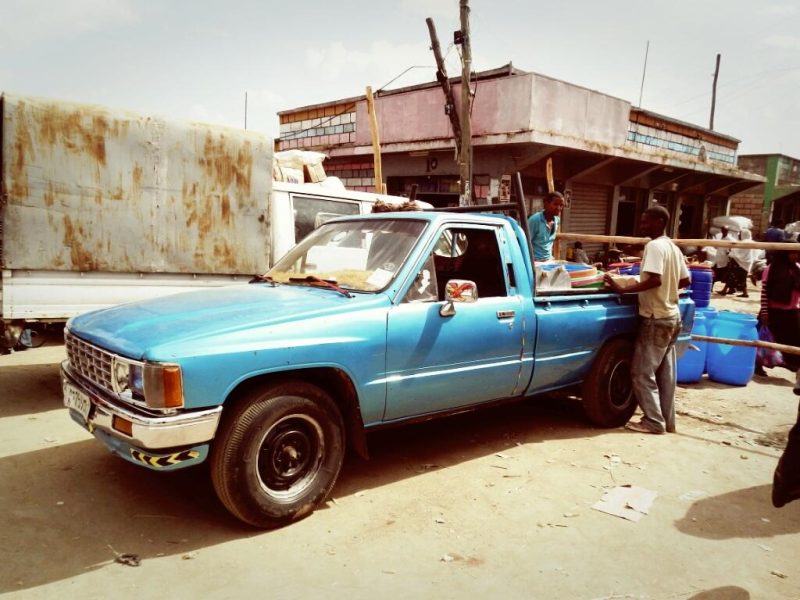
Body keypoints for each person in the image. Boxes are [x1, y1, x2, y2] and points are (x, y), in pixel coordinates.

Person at [604, 206, 690, 434]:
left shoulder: (654, 246)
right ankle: (667, 421)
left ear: (660, 221)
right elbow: (686, 280)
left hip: (655, 318)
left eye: (646, 222)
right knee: (666, 374)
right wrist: (668, 293)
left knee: (641, 373)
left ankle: (653, 422)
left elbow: (654, 280)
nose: (642, 226)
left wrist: (624, 289)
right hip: (672, 316)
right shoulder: (672, 246)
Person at [758, 245, 800, 394]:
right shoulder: (771, 269)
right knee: (765, 340)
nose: (795, 256)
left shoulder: (797, 268)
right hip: (773, 312)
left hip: (792, 312)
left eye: (797, 253)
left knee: (795, 343)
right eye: (792, 253)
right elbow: (764, 292)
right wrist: (764, 312)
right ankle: (758, 366)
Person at [528, 191, 565, 261]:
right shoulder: (535, 220)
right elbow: (525, 243)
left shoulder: (557, 220)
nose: (558, 208)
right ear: (546, 203)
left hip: (549, 260)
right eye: (555, 204)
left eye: (561, 205)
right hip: (535, 261)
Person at [726, 229, 757, 297]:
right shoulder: (752, 242)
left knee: (740, 277)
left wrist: (729, 253)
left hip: (741, 263)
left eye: (740, 234)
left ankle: (745, 293)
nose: (739, 235)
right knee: (739, 276)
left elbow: (737, 253)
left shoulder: (743, 242)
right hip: (747, 263)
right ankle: (729, 289)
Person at [712, 226, 734, 294]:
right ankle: (711, 288)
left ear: (727, 231)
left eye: (725, 230)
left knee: (725, 276)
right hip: (718, 259)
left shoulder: (730, 239)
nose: (724, 231)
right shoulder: (720, 237)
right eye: (723, 230)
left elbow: (731, 249)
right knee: (714, 274)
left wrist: (728, 253)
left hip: (725, 260)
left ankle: (730, 289)